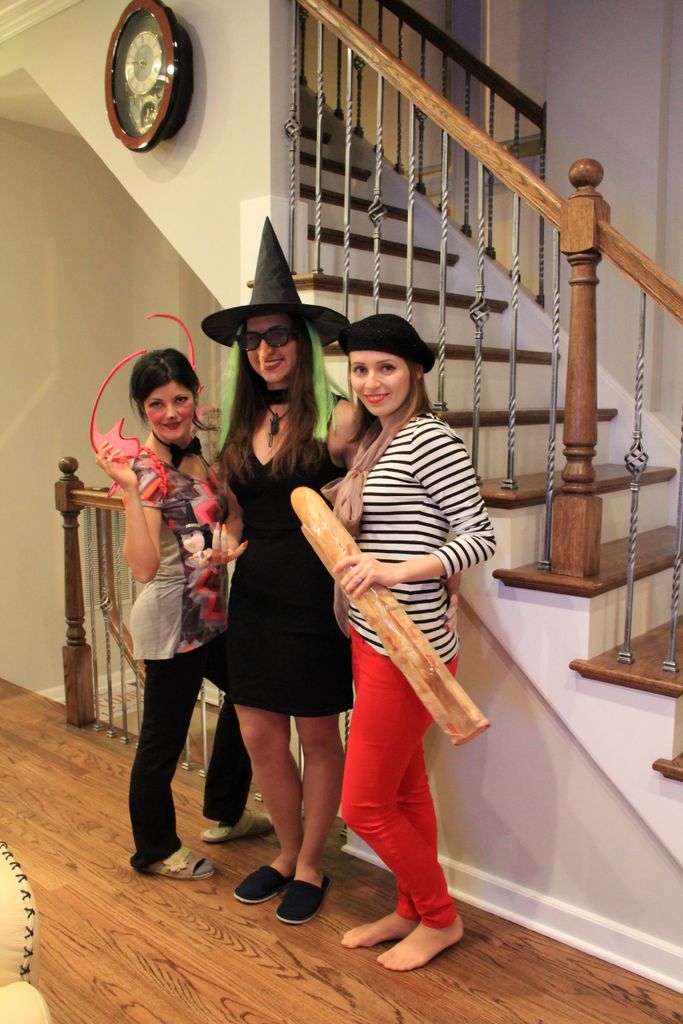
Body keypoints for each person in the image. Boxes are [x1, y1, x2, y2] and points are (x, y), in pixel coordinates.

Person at [327, 313, 496, 970]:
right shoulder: (378, 439)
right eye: (360, 369)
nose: (372, 381)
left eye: (386, 368)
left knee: (363, 805)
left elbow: (478, 537)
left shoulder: (431, 440)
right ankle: (410, 909)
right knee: (402, 790)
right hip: (372, 634)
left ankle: (441, 917)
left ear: (415, 372)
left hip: (409, 644)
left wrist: (392, 571)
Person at [201, 218, 356, 924]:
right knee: (260, 735)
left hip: (316, 597)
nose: (267, 349)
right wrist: (221, 540)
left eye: (279, 335)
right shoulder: (236, 427)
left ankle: (314, 863)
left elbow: (374, 496)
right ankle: (286, 853)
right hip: (256, 596)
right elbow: (236, 516)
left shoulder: (340, 420)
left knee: (318, 736)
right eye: (254, 339)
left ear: (303, 342)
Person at [95, 347, 271, 880]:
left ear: (196, 397)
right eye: (156, 404)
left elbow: (233, 514)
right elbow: (144, 567)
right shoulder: (146, 472)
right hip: (173, 621)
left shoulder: (202, 453)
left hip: (211, 613)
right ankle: (155, 849)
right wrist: (131, 492)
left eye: (179, 399)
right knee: (162, 740)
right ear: (142, 409)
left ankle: (226, 811)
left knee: (251, 695)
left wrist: (226, 542)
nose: (170, 413)